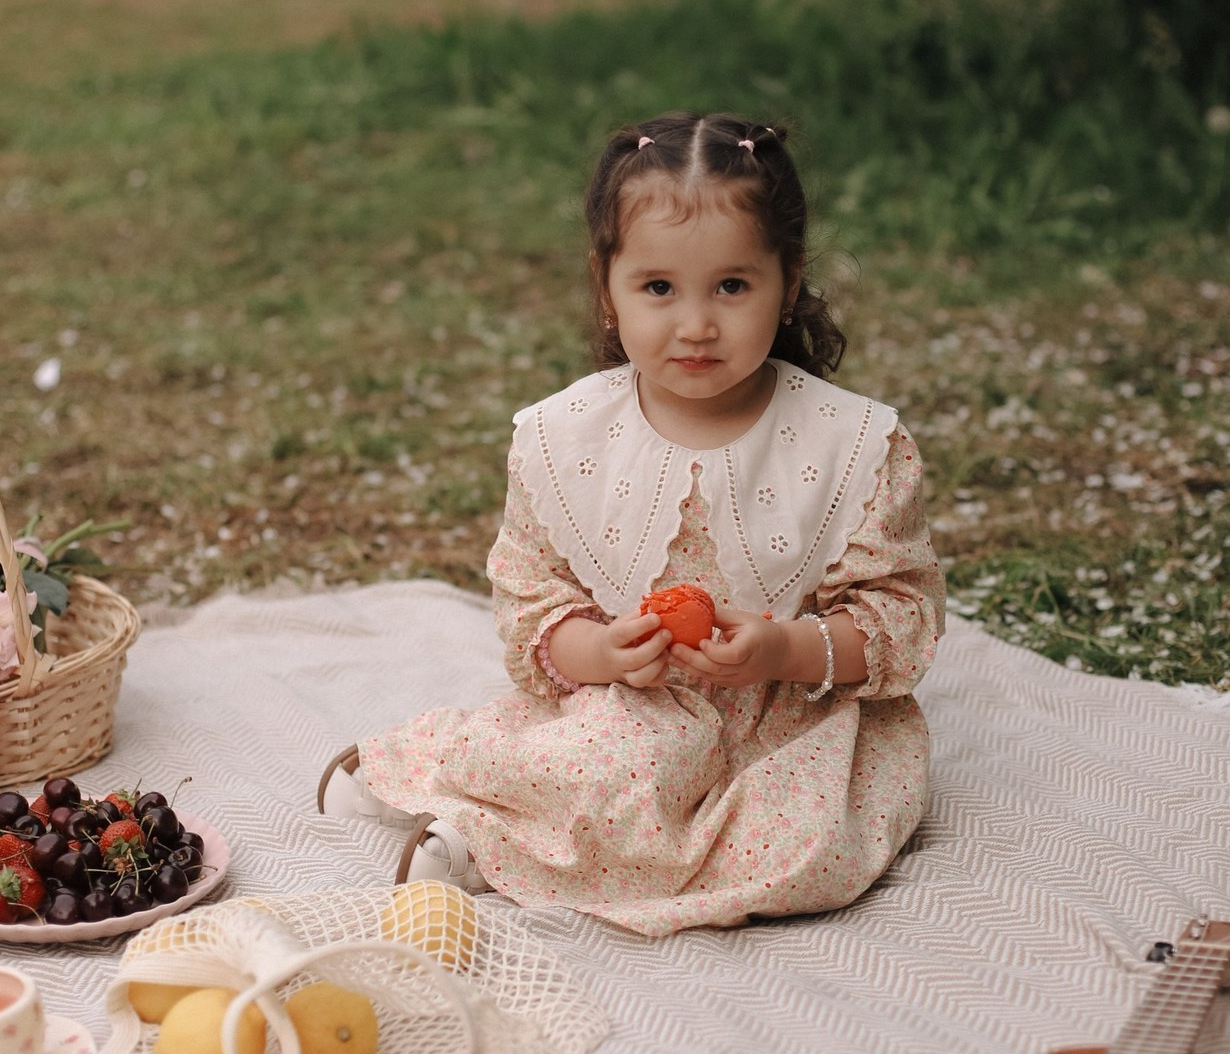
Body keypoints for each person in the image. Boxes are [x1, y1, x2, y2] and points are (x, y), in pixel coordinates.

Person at [318, 111, 944, 936]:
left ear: (788, 283)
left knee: (809, 844)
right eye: (658, 288)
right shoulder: (566, 437)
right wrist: (593, 650)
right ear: (606, 289)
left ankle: (514, 834)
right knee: (610, 764)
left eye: (732, 286)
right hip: (629, 704)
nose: (695, 324)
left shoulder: (854, 444)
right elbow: (531, 598)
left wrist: (785, 648)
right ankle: (472, 823)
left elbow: (899, 616)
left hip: (791, 715)